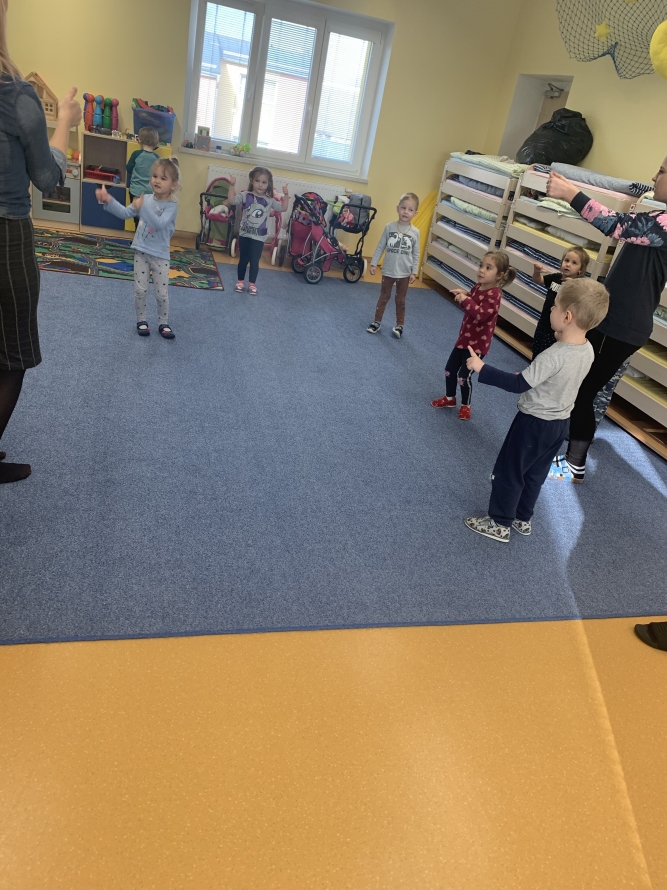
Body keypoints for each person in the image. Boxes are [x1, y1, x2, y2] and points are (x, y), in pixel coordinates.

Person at [0, 0, 82, 483]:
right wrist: (65, 121)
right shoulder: (16, 94)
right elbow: (48, 179)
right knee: (13, 354)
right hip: (7, 238)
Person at [545, 162, 667, 482]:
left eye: (662, 171)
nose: (654, 177)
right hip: (616, 321)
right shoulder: (658, 218)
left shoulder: (665, 224)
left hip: (622, 326)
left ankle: (574, 462)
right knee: (582, 387)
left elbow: (613, 224)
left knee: (583, 390)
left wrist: (569, 192)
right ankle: (568, 450)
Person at [464, 278, 609, 543]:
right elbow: (557, 376)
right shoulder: (587, 349)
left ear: (567, 316)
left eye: (555, 307)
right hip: (559, 424)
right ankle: (522, 518)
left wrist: (481, 367)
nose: (550, 310)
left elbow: (518, 384)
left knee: (509, 471)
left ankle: (499, 523)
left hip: (533, 423)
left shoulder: (553, 356)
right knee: (535, 473)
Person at [97, 157, 180, 338]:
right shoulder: (146, 199)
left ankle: (163, 322)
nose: (157, 181)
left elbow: (159, 224)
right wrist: (108, 199)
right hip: (141, 252)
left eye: (163, 178)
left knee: (161, 294)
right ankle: (141, 320)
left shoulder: (172, 206)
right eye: (155, 176)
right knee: (140, 290)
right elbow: (125, 213)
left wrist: (142, 208)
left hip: (160, 256)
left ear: (173, 185)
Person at [430, 250, 515, 420]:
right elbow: (471, 305)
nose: (481, 270)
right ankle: (449, 398)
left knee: (463, 376)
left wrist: (466, 299)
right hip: (464, 338)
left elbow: (481, 314)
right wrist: (465, 295)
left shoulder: (495, 294)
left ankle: (466, 405)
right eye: (481, 265)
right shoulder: (477, 287)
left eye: (488, 268)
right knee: (449, 370)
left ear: (499, 275)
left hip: (477, 345)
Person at [226, 168, 289, 295]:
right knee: (243, 259)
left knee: (254, 261)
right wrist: (232, 185)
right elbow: (231, 200)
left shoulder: (269, 200)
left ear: (268, 184)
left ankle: (252, 284)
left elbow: (283, 208)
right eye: (257, 181)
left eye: (264, 182)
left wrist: (286, 195)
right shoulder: (245, 195)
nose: (260, 184)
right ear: (252, 181)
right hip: (245, 235)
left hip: (259, 237)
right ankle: (240, 282)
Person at [366, 192, 420, 339]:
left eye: (410, 209)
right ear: (397, 208)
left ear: (415, 213)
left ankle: (399, 325)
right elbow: (380, 246)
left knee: (400, 299)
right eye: (403, 208)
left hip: (404, 273)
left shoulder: (415, 232)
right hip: (388, 270)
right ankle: (377, 321)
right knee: (384, 296)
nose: (406, 212)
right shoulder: (389, 227)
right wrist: (373, 263)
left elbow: (416, 254)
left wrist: (414, 271)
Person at [531, 246, 589, 358]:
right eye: (566, 260)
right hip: (543, 323)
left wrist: (571, 287)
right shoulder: (556, 278)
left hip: (557, 329)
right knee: (536, 350)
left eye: (574, 263)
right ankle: (533, 368)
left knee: (547, 356)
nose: (568, 264)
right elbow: (538, 280)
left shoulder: (578, 285)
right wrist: (537, 272)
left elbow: (580, 304)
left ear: (581, 269)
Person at [126, 126, 160, 231]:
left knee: (137, 218)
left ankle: (138, 235)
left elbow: (129, 168)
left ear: (139, 140)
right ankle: (145, 236)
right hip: (150, 194)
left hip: (135, 192)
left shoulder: (136, 154)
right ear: (156, 142)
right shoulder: (157, 158)